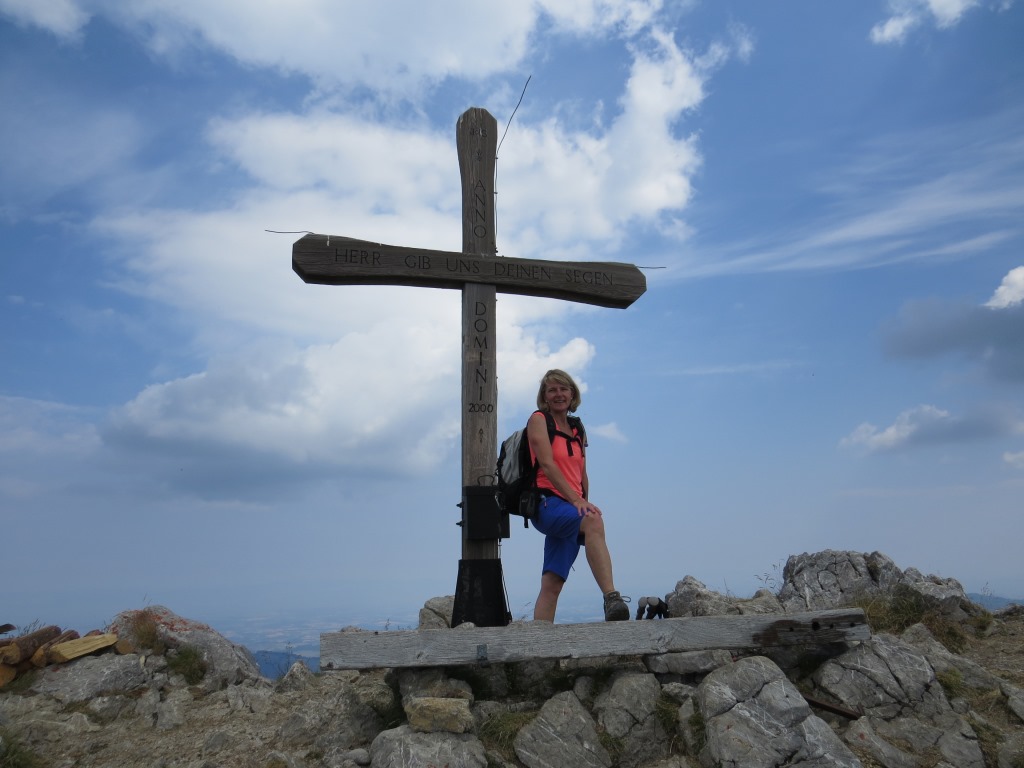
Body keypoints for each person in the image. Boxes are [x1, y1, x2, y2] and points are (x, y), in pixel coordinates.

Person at [527, 369, 629, 622]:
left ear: (572, 394)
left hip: (569, 507)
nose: (559, 394)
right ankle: (611, 598)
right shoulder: (538, 420)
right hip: (546, 503)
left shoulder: (577, 428)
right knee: (593, 519)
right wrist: (578, 502)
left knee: (552, 584)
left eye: (563, 389)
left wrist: (581, 501)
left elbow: (581, 472)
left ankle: (539, 648)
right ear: (544, 396)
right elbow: (548, 465)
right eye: (552, 390)